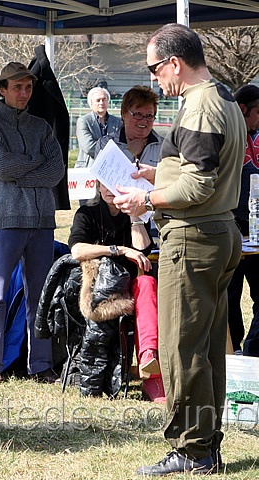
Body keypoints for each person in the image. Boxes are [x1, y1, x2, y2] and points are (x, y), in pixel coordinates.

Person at [113, 23, 246, 476]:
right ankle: (206, 445)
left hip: (193, 238)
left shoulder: (201, 105)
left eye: (156, 69)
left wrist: (146, 200)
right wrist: (156, 176)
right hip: (218, 232)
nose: (155, 79)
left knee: (180, 348)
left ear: (175, 62)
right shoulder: (222, 96)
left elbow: (199, 182)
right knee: (206, 347)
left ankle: (192, 451)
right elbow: (203, 171)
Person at [0, 62, 65, 383]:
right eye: (17, 87)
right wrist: (36, 164)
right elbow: (2, 167)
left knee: (41, 297)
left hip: (42, 221)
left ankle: (40, 365)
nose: (24, 93)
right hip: (3, 221)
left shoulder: (42, 127)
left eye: (28, 88)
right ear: (2, 90)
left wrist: (24, 168)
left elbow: (56, 172)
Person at [68, 182, 165, 403]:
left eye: (115, 183)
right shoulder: (87, 213)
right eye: (104, 183)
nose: (109, 189)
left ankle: (150, 361)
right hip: (99, 287)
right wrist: (118, 250)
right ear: (98, 186)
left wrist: (134, 218)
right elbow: (77, 249)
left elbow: (143, 250)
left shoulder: (134, 214)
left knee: (147, 284)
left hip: (130, 284)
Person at [227, 84, 259, 355]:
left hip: (257, 231)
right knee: (229, 296)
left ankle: (253, 350)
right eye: (258, 112)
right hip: (233, 229)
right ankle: (233, 350)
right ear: (242, 110)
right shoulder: (228, 138)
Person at [96, 85, 164, 167]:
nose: (144, 120)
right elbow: (105, 177)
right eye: (138, 114)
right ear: (124, 114)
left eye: (149, 115)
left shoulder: (164, 147)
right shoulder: (106, 144)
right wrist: (131, 153)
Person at [75, 86, 121, 168]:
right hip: (88, 168)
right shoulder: (83, 121)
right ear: (91, 103)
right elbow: (89, 147)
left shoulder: (118, 122)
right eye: (98, 100)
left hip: (112, 168)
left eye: (104, 99)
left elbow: (122, 144)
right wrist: (111, 151)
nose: (101, 103)